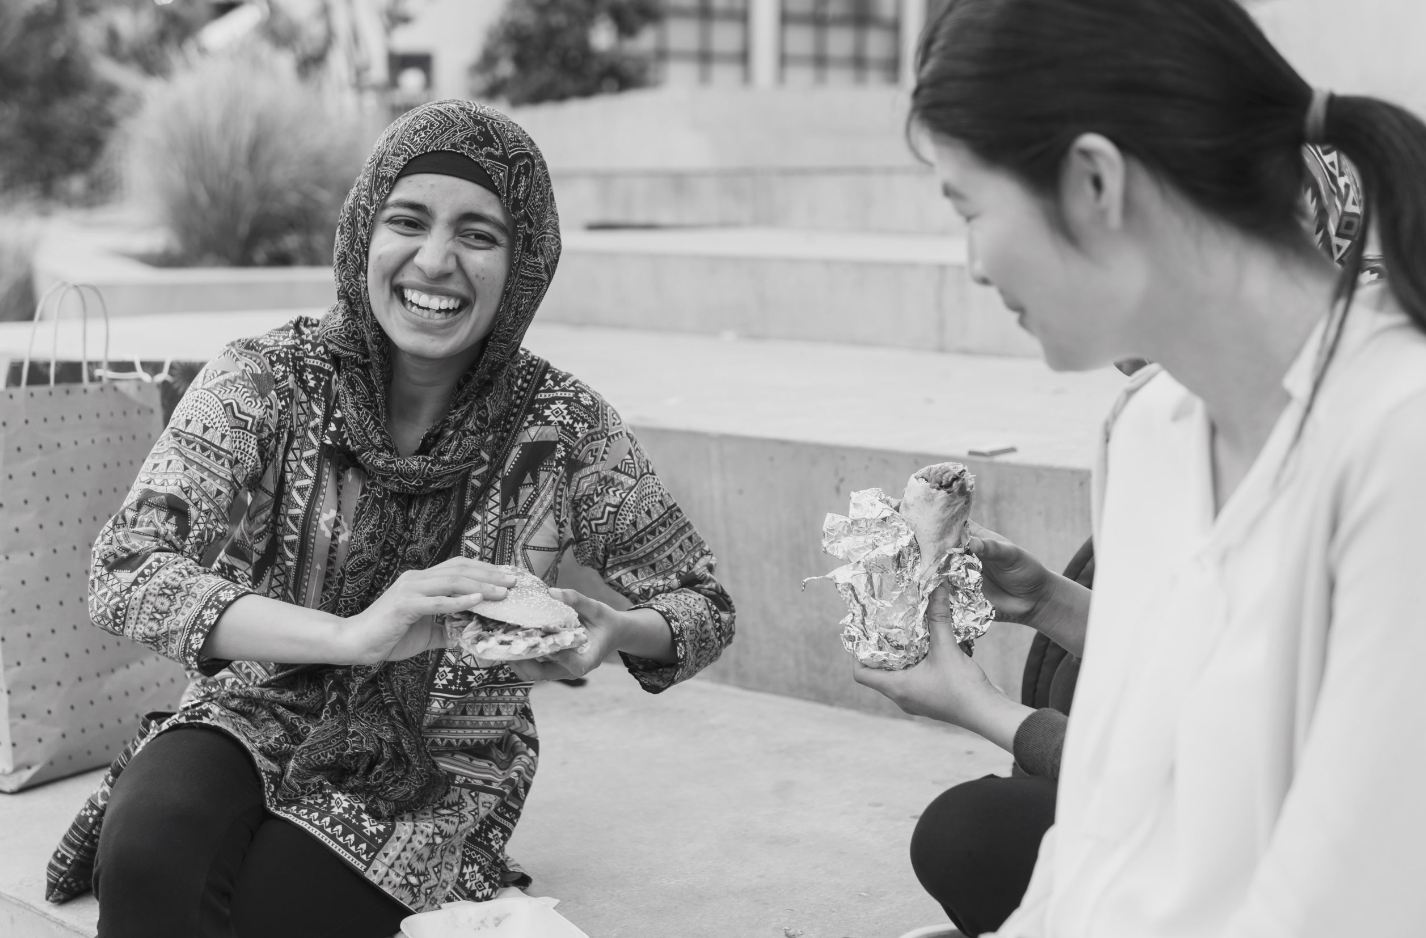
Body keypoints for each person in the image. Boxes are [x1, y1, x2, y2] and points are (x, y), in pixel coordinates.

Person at [45, 100, 736, 938]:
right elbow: (127, 569)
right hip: (253, 704)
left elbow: (702, 602)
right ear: (362, 232)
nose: (435, 261)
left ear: (523, 265)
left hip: (447, 755)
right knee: (151, 857)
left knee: (279, 909)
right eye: (407, 220)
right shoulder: (268, 377)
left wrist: (612, 630)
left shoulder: (566, 427)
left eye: (479, 234)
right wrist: (353, 636)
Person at [854, 0, 1426, 935]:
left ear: (1092, 182)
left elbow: (1337, 901)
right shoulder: (1152, 428)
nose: (973, 266)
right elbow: (1107, 828)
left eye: (971, 208)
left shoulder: (1400, 444)